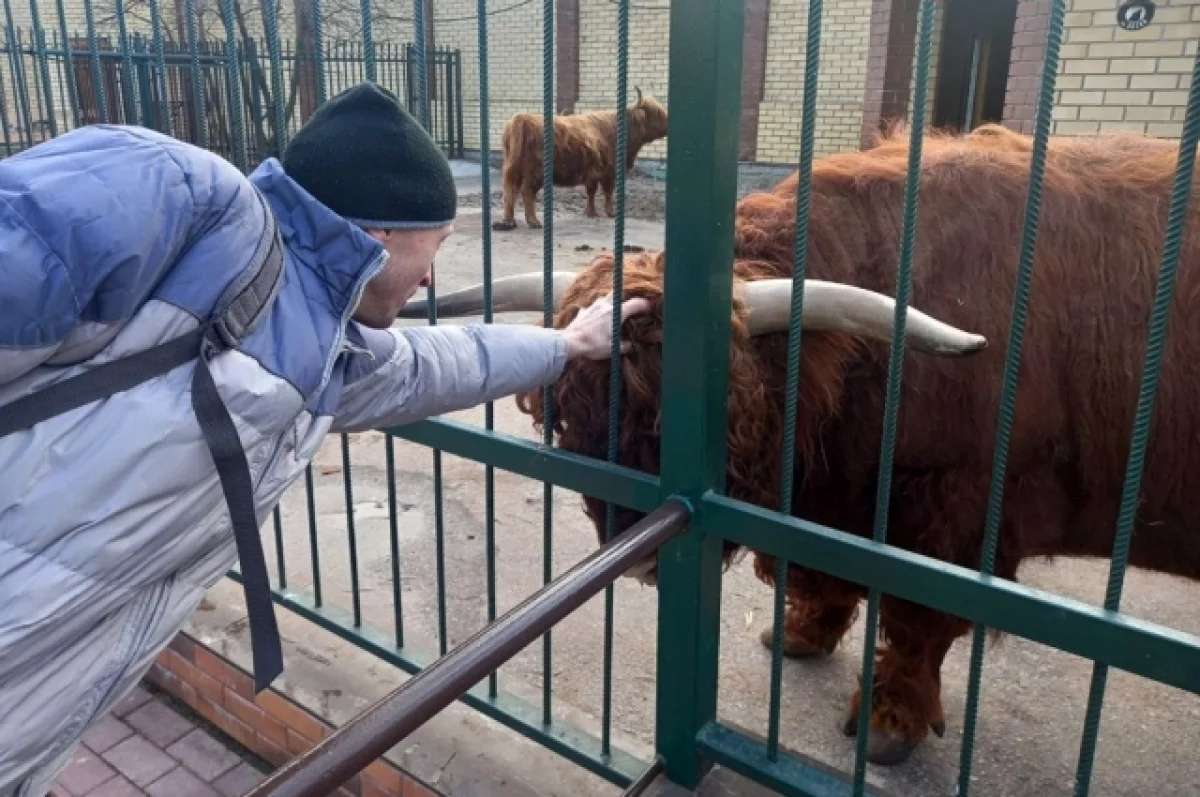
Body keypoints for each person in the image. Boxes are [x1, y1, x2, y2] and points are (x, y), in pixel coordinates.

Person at [0, 81, 648, 796]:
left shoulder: (331, 350)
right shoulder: (174, 191)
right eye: (435, 245)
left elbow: (442, 362)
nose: (434, 273)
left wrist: (565, 345)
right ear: (380, 235)